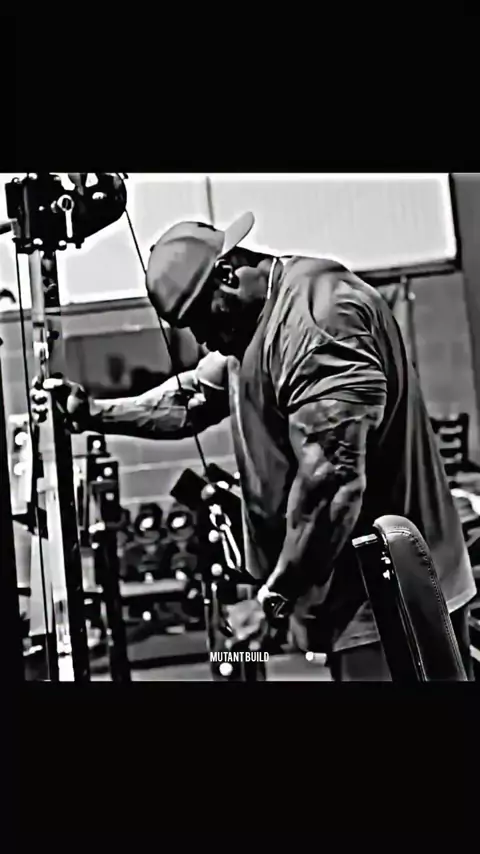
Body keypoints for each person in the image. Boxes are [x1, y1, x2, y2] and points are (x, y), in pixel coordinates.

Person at [31, 212, 476, 680]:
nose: (201, 338)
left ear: (226, 274)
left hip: (393, 604)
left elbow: (332, 486)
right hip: (348, 604)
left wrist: (273, 600)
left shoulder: (318, 320)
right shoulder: (246, 331)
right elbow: (191, 398)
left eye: (200, 318)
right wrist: (92, 412)